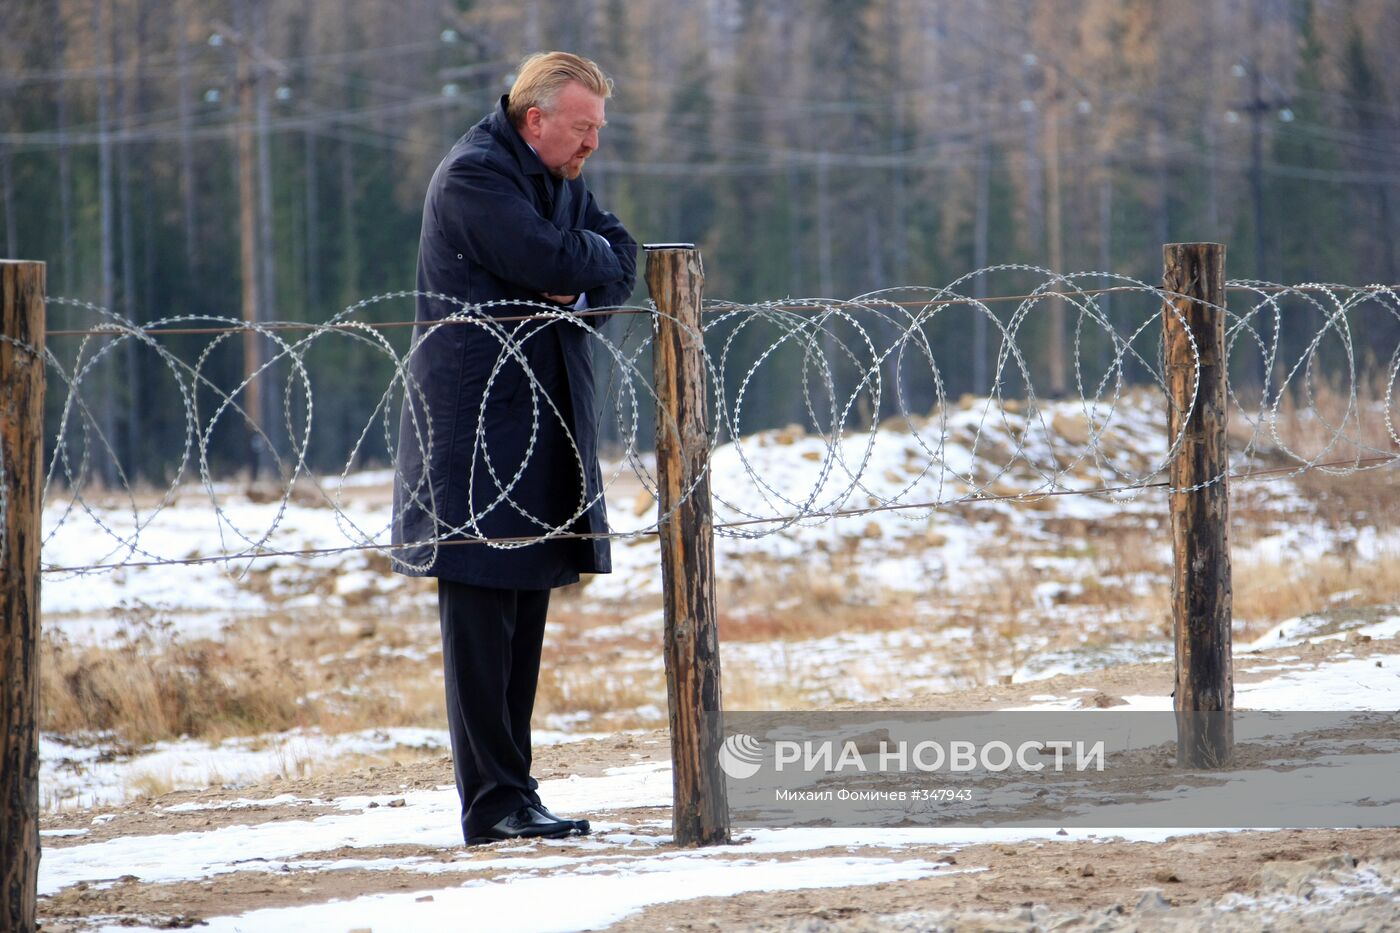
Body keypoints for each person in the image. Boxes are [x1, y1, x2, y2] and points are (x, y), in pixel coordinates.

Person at [391, 52, 637, 845]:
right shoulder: (476, 178)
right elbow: (554, 261)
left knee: (524, 610)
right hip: (475, 433)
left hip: (533, 423)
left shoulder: (554, 180)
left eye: (598, 129)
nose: (592, 144)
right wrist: (571, 270)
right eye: (583, 127)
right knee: (480, 620)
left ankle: (515, 792)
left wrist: (576, 275)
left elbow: (616, 255)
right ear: (537, 119)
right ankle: (491, 805)